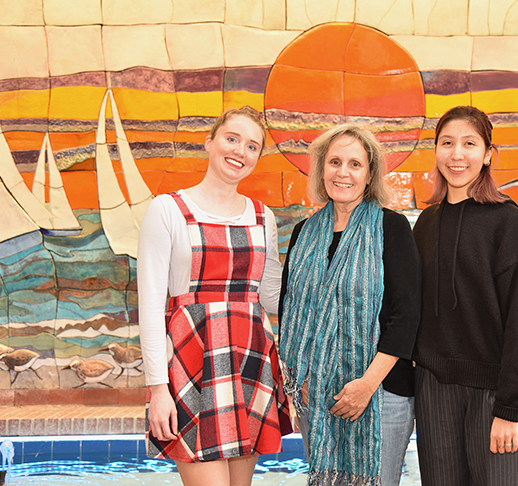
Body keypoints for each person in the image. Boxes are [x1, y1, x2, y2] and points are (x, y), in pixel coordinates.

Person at [137, 106, 292, 486]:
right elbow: (151, 308)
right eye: (232, 138)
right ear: (209, 142)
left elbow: (271, 298)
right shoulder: (168, 210)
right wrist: (158, 390)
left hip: (249, 365)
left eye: (252, 146)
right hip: (193, 366)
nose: (240, 151)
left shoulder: (262, 216)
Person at [412, 106, 518, 485]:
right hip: (435, 391)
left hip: (494, 394)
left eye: (469, 143)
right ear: (436, 150)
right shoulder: (426, 223)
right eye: (447, 143)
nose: (457, 154)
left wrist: (509, 407)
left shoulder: (506, 221)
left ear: (488, 153)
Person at [279, 124, 421, 485]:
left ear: (370, 174)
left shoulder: (392, 228)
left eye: (355, 164)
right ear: (321, 169)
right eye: (335, 162)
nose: (343, 172)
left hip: (382, 393)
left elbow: (406, 318)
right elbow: (289, 312)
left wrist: (366, 386)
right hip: (318, 394)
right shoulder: (303, 234)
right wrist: (304, 379)